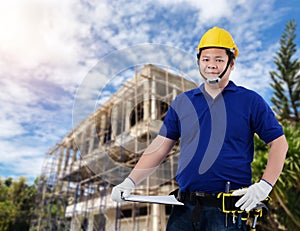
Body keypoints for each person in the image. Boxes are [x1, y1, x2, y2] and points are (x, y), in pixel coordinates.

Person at [111, 26, 288, 230]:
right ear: (199, 62)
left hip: (226, 213)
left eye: (219, 59)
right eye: (206, 59)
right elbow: (160, 147)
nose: (211, 65)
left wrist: (265, 185)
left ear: (231, 63)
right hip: (183, 209)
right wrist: (130, 182)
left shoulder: (250, 101)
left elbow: (279, 143)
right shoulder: (182, 102)